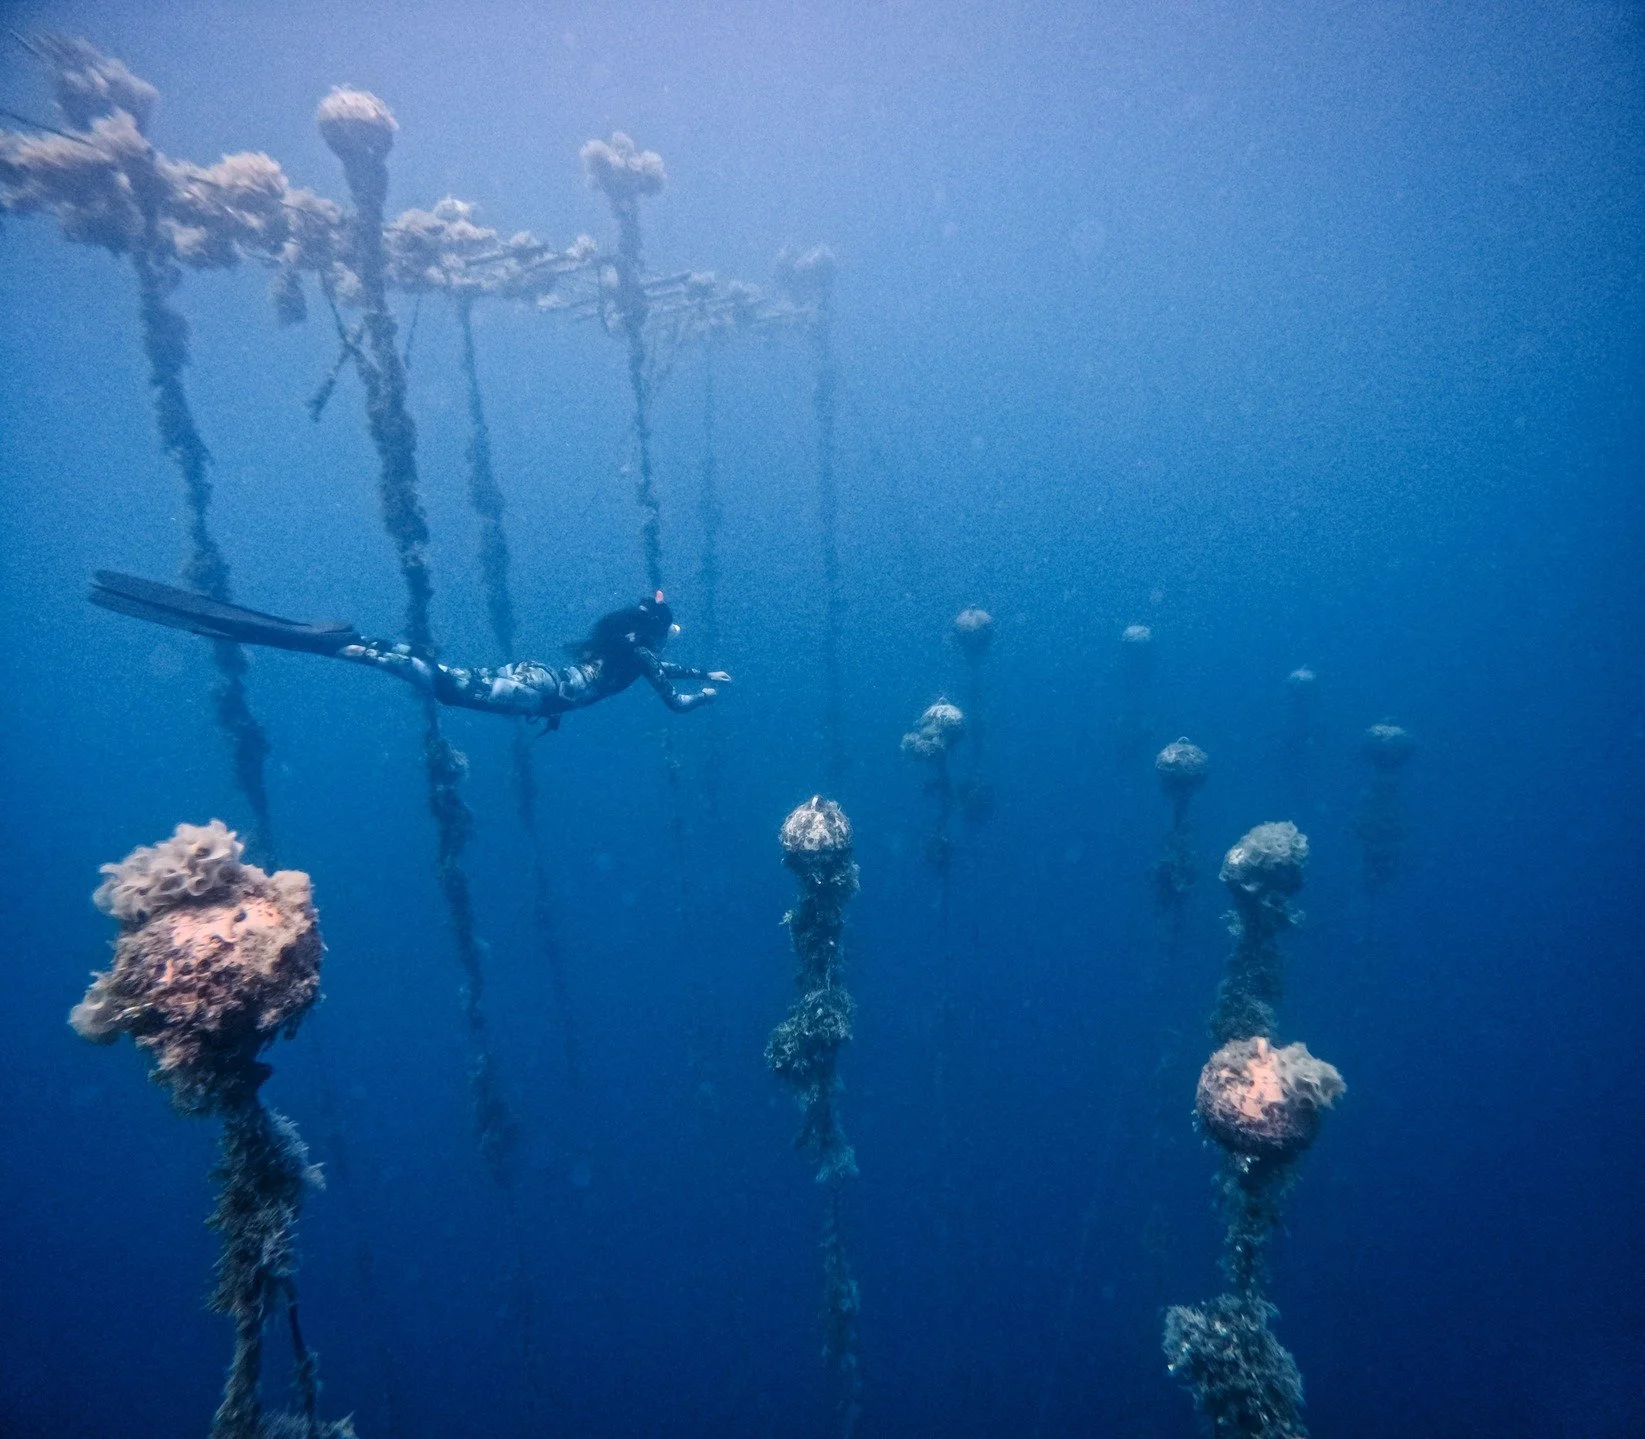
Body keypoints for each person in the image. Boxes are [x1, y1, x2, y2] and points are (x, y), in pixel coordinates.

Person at [90, 571, 729, 728]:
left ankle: (355, 645)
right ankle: (346, 646)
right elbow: (669, 695)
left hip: (536, 681)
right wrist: (702, 691)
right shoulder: (638, 655)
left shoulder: (623, 647)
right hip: (539, 692)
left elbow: (657, 664)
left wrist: (698, 667)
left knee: (442, 677)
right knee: (442, 683)